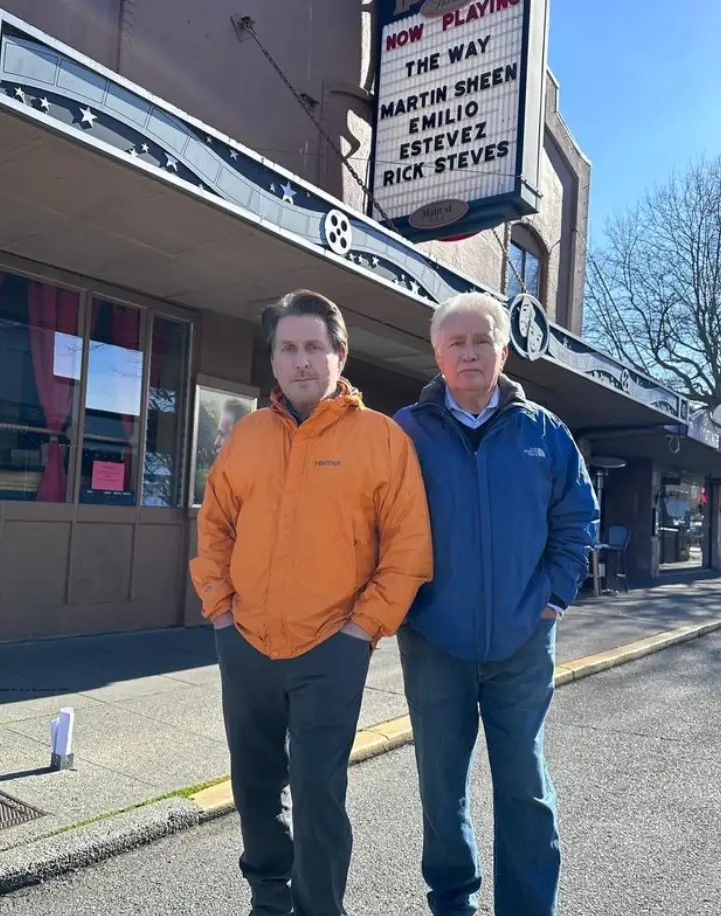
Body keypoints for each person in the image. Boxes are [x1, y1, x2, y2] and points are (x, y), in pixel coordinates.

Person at [190, 289, 433, 916]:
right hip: (243, 640)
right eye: (288, 349)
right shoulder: (245, 438)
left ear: (339, 354)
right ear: (272, 360)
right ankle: (268, 896)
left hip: (333, 645)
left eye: (313, 348)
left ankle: (321, 905)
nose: (301, 361)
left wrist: (363, 630)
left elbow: (408, 547)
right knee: (253, 784)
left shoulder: (382, 440)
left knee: (319, 790)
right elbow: (214, 526)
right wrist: (220, 611)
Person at [394, 292, 599, 916]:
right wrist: (402, 606)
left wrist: (554, 597)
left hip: (522, 643)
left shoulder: (544, 432)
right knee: (440, 785)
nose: (470, 352)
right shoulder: (404, 431)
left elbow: (576, 521)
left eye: (482, 340)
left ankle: (528, 907)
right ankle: (453, 901)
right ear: (437, 354)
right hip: (435, 641)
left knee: (525, 788)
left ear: (503, 350)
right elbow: (368, 520)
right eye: (456, 342)